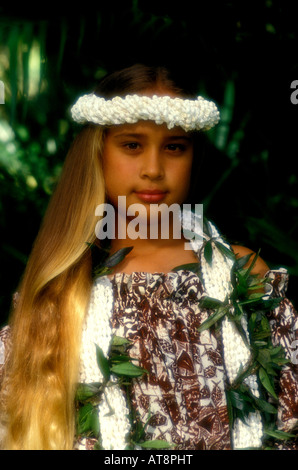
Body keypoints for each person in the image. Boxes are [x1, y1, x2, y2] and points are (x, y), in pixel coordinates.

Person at [0, 64, 297, 450]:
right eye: (132, 145)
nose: (154, 170)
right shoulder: (57, 298)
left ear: (193, 156)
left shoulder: (244, 277)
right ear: (97, 152)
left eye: (174, 147)